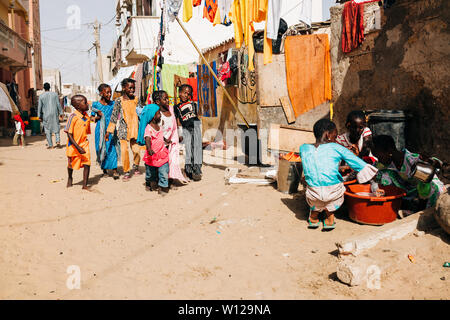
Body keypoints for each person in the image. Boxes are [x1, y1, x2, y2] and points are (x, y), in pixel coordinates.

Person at [299, 119, 379, 230]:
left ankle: (313, 217)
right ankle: (329, 216)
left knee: (313, 190)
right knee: (339, 187)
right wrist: (371, 173)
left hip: (313, 194)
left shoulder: (303, 148)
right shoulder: (337, 147)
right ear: (328, 135)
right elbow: (357, 163)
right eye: (335, 136)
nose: (336, 140)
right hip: (333, 192)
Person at [371, 135, 446, 210]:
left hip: (427, 193)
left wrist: (431, 161)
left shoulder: (412, 159)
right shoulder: (387, 164)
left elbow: (438, 166)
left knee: (429, 185)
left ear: (389, 151)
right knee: (385, 175)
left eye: (379, 157)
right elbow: (373, 173)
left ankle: (422, 211)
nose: (379, 160)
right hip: (412, 194)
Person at [106, 78, 142, 181]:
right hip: (123, 129)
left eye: (133, 88)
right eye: (130, 88)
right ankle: (126, 171)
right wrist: (109, 131)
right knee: (124, 151)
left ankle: (135, 166)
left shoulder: (136, 99)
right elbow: (114, 115)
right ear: (123, 88)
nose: (132, 90)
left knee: (136, 150)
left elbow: (141, 113)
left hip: (135, 128)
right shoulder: (119, 101)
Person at [153, 90, 188, 186]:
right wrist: (163, 139)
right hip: (161, 142)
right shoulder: (156, 113)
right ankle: (158, 180)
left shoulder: (171, 109)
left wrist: (179, 133)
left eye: (168, 98)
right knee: (161, 163)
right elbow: (155, 129)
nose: (168, 101)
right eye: (165, 99)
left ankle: (170, 179)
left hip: (172, 141)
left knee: (172, 160)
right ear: (158, 101)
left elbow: (176, 121)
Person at [91, 84, 120, 180]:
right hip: (100, 130)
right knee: (101, 148)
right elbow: (91, 118)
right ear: (101, 93)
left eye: (110, 92)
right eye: (107, 92)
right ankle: (104, 170)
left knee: (112, 148)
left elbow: (116, 116)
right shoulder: (96, 105)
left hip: (111, 129)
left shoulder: (113, 104)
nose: (109, 94)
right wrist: (97, 117)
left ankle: (115, 170)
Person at [174, 84, 203, 181]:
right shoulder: (177, 107)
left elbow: (197, 116)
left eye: (188, 94)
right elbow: (178, 120)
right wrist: (179, 132)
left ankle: (197, 171)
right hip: (186, 130)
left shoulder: (193, 104)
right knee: (189, 150)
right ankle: (188, 170)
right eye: (184, 93)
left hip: (196, 128)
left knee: (197, 149)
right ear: (179, 93)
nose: (186, 95)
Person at [142, 104, 170, 195]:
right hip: (152, 155)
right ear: (153, 116)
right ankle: (149, 182)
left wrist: (166, 140)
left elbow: (161, 135)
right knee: (150, 173)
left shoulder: (159, 126)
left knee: (164, 170)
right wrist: (149, 149)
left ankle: (163, 186)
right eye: (158, 113)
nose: (160, 115)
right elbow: (147, 139)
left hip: (162, 153)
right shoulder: (148, 129)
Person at [65, 95, 91, 190]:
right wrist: (77, 147)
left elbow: (87, 127)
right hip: (73, 145)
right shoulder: (73, 117)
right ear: (78, 106)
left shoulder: (86, 116)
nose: (87, 104)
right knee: (71, 164)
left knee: (87, 163)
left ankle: (84, 185)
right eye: (85, 102)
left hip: (84, 143)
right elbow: (69, 134)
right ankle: (70, 177)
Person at [38, 82, 63, 149]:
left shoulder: (41, 96)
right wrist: (61, 113)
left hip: (46, 115)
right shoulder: (55, 94)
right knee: (56, 127)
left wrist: (39, 116)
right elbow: (58, 104)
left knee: (47, 129)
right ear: (49, 87)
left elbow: (39, 107)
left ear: (44, 88)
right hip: (55, 114)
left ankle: (50, 145)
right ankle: (58, 142)